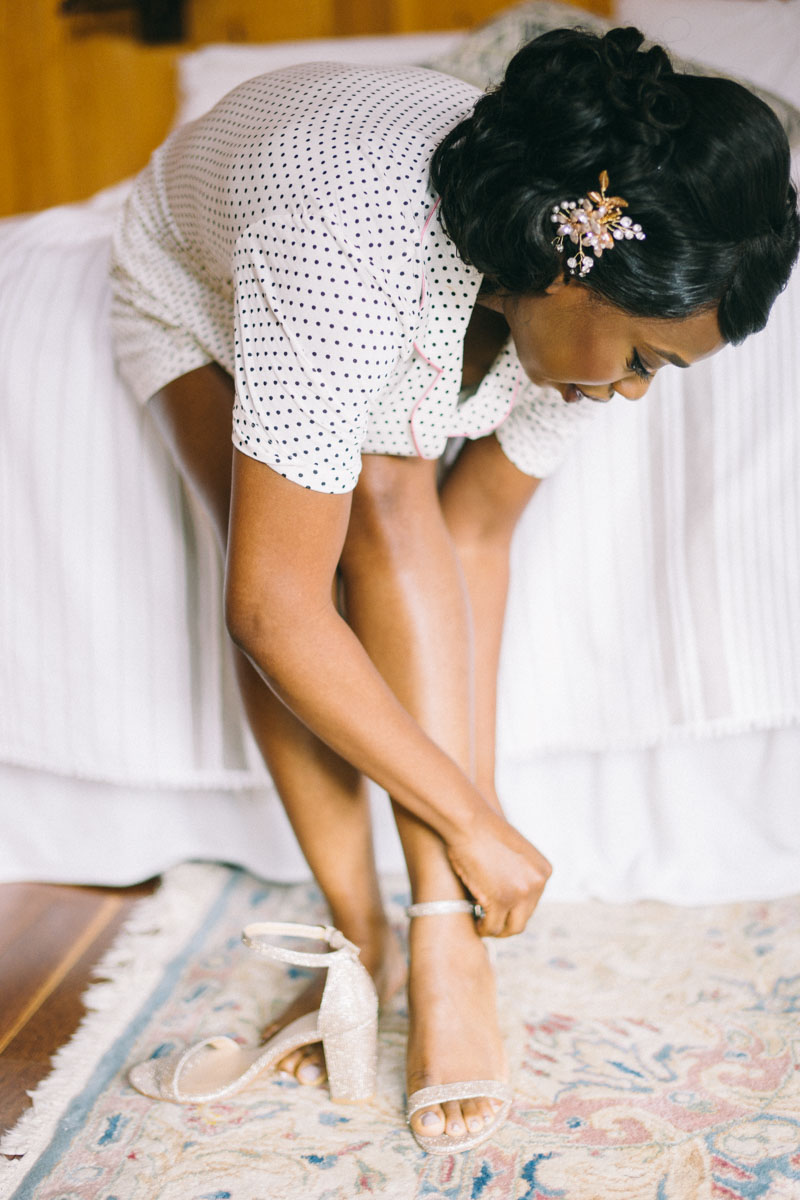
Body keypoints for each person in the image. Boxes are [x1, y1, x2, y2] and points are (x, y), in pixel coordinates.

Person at [110, 25, 799, 1152]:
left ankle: (441, 943)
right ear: (576, 267)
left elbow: (473, 537)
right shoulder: (351, 250)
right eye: (640, 361)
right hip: (198, 279)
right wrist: (473, 824)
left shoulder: (563, 310)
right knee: (306, 564)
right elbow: (273, 606)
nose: (631, 395)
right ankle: (361, 936)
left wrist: (461, 862)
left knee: (396, 502)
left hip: (387, 271)